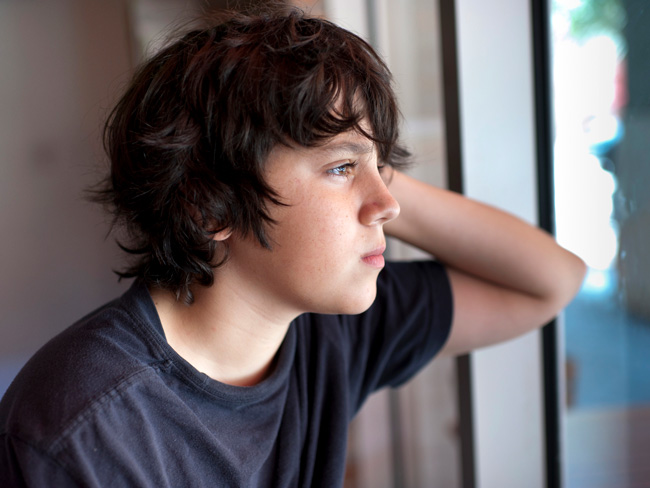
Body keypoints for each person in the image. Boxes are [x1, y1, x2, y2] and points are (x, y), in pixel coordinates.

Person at [0, 7, 585, 487]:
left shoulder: (323, 330)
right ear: (211, 207)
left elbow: (550, 280)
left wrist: (363, 157)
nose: (388, 205)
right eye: (339, 169)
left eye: (382, 169)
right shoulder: (86, 429)